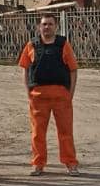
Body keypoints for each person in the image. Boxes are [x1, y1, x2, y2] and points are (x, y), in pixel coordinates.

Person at [18, 13, 80, 175]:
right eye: (44, 24)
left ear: (56, 26)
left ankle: (70, 163)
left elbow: (73, 70)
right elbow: (25, 69)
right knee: (38, 133)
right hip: (38, 97)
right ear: (39, 27)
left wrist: (70, 93)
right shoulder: (31, 45)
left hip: (61, 96)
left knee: (65, 132)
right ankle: (38, 163)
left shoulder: (63, 44)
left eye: (50, 24)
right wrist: (28, 92)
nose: (47, 27)